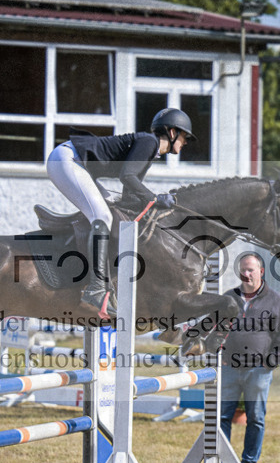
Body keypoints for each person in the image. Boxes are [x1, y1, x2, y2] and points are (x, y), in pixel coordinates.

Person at [45, 108, 195, 318]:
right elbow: (127, 177)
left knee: (111, 210)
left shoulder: (150, 151)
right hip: (66, 160)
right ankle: (96, 287)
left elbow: (130, 196)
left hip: (77, 163)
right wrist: (155, 198)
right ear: (171, 133)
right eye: (184, 136)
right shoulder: (149, 142)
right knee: (103, 216)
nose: (185, 142)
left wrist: (157, 208)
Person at [219, 252, 280, 463]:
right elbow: (216, 327)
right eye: (243, 269)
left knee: (256, 418)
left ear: (261, 272)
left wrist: (269, 363)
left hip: (258, 371)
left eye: (250, 269)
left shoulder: (275, 300)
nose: (246, 273)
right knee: (220, 417)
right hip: (229, 368)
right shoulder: (229, 297)